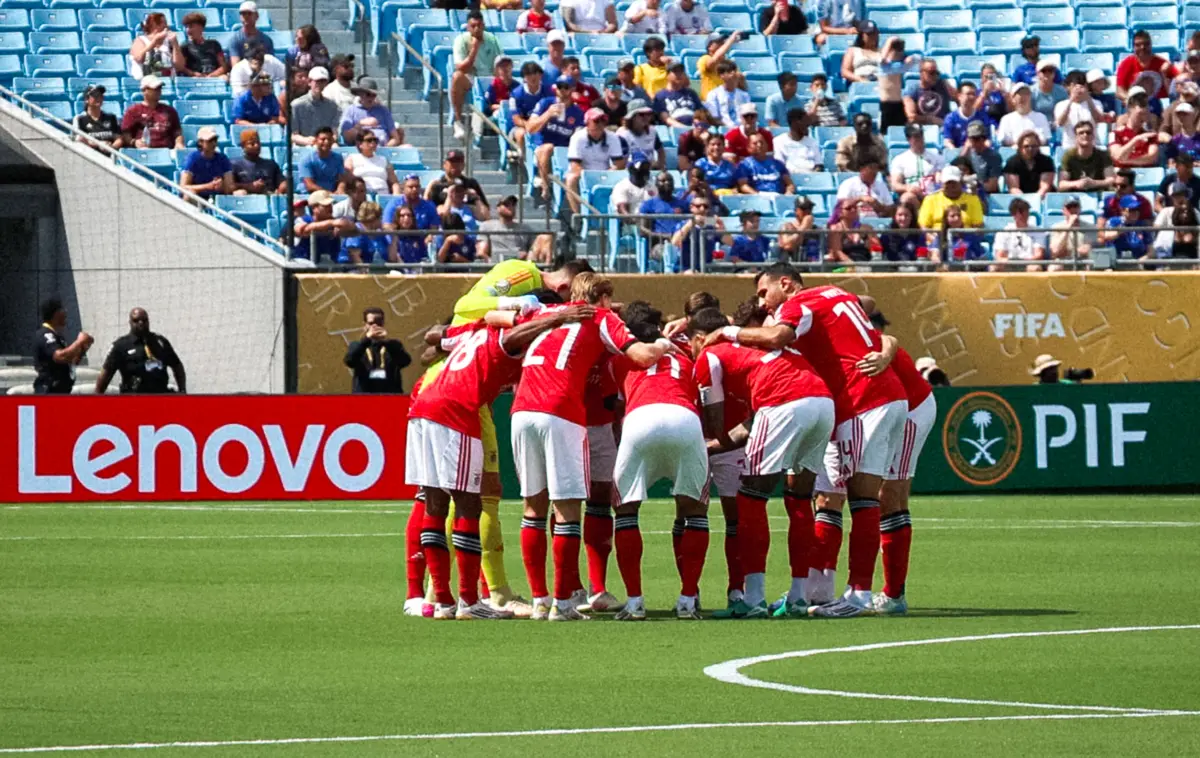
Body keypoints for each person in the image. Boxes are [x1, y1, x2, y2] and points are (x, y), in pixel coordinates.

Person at [699, 265, 906, 618]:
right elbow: (867, 302)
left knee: (756, 495)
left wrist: (727, 332)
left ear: (786, 283)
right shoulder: (834, 294)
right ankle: (804, 594)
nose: (764, 303)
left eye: (765, 293)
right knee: (820, 497)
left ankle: (761, 598)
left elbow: (778, 335)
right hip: (875, 397)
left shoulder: (796, 306)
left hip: (858, 399)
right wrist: (887, 350)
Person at [407, 300, 595, 620]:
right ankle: (468, 601)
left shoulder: (470, 333)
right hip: (456, 411)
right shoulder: (498, 337)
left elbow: (432, 336)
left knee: (435, 505)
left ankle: (442, 600)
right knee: (469, 505)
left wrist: (485, 315)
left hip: (422, 408)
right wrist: (558, 318)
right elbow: (513, 335)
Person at [509, 274, 677, 621]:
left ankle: (541, 600)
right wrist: (663, 345)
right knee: (568, 509)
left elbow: (503, 326)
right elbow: (643, 355)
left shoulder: (548, 314)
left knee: (533, 508)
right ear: (601, 298)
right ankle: (564, 602)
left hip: (522, 408)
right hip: (562, 411)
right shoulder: (602, 319)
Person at [603, 302, 707, 620]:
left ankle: (635, 603)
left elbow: (617, 410)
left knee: (625, 510)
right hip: (685, 418)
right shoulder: (686, 350)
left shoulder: (622, 357)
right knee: (695, 511)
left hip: (641, 417)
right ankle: (688, 600)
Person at [95, 308, 185, 395]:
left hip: (160, 395)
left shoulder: (160, 342)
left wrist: (182, 390)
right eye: (136, 320)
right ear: (130, 322)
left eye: (144, 320)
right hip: (134, 397)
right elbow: (106, 374)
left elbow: (177, 366)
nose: (141, 323)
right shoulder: (121, 345)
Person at [528, 75, 586, 202]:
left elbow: (579, 136)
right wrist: (547, 114)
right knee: (548, 148)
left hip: (564, 149)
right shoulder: (545, 103)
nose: (562, 90)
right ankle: (546, 186)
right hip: (541, 146)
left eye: (566, 87)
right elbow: (530, 128)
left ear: (572, 89)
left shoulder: (577, 112)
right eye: (560, 87)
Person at [450, 11, 504, 140]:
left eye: (479, 25)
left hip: (489, 78)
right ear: (468, 27)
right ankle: (458, 121)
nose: (477, 29)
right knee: (457, 77)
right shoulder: (461, 40)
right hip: (471, 77)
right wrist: (474, 49)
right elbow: (461, 67)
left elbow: (500, 62)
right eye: (473, 26)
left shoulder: (492, 39)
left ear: (484, 25)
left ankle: (495, 119)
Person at [566, 108, 627, 211]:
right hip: (583, 173)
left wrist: (607, 175)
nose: (600, 124)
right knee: (571, 179)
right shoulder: (577, 138)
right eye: (596, 121)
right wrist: (592, 177)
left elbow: (619, 164)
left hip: (606, 173)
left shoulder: (613, 138)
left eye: (603, 121)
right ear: (587, 122)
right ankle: (578, 215)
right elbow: (575, 166)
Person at [33, 297, 92, 395]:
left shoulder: (58, 337)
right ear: (56, 313)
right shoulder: (45, 335)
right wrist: (79, 341)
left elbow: (70, 363)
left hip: (62, 391)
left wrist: (82, 348)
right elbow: (60, 356)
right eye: (62, 309)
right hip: (49, 392)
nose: (65, 312)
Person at [478, 195, 552, 262]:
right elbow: (481, 252)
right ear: (498, 208)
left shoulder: (525, 228)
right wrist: (492, 263)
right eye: (506, 204)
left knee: (547, 237)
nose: (510, 207)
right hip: (497, 265)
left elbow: (534, 251)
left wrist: (527, 257)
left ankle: (547, 270)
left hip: (521, 267)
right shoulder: (487, 226)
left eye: (513, 204)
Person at [669, 195, 731, 271]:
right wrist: (690, 224)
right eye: (698, 206)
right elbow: (674, 242)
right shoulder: (683, 224)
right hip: (685, 268)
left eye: (705, 207)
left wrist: (722, 228)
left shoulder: (712, 226)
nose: (702, 209)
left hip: (706, 268)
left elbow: (730, 243)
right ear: (691, 208)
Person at [889, 124, 944, 210]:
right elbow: (895, 184)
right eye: (915, 136)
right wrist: (908, 188)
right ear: (908, 139)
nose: (919, 139)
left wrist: (939, 180)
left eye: (920, 135)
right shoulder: (900, 159)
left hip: (932, 194)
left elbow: (939, 177)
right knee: (907, 198)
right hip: (913, 195)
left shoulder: (936, 157)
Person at [121, 75, 183, 149]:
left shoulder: (170, 111)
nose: (158, 91)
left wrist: (179, 143)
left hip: (166, 150)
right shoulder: (133, 111)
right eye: (155, 89)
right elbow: (125, 133)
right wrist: (134, 142)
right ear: (144, 90)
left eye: (159, 88)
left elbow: (177, 132)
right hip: (143, 151)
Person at [1116, 29, 1177, 102]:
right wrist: (1130, 100)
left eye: (1146, 44)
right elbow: (1119, 91)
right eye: (1138, 45)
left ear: (1151, 45)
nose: (1142, 47)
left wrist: (1166, 75)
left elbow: (1178, 84)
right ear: (1133, 47)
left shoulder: (1162, 63)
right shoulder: (1126, 64)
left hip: (1161, 105)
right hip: (1135, 104)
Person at [918, 165, 985, 230]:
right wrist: (935, 240)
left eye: (954, 183)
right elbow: (924, 226)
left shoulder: (972, 199)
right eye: (948, 183)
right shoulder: (930, 199)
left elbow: (978, 226)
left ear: (960, 182)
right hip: (937, 237)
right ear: (942, 183)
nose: (951, 186)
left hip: (965, 238)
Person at [340, 78, 402, 146]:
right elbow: (346, 137)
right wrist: (360, 124)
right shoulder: (350, 110)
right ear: (360, 94)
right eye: (368, 94)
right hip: (359, 151)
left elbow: (395, 138)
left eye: (374, 95)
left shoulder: (383, 111)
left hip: (382, 149)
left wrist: (384, 148)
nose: (371, 98)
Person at [507, 62, 553, 154]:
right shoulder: (516, 94)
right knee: (521, 134)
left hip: (544, 125)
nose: (533, 77)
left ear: (541, 75)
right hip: (522, 127)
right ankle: (523, 164)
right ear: (524, 78)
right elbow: (516, 119)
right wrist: (530, 126)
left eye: (535, 73)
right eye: (528, 74)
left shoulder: (549, 92)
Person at [426, 150, 489, 216]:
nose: (455, 165)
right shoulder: (438, 185)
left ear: (463, 165)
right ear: (444, 165)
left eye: (459, 162)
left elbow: (486, 214)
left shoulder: (471, 183)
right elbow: (430, 212)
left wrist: (476, 197)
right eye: (452, 162)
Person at [638, 171, 687, 256]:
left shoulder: (683, 204)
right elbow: (642, 230)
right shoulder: (649, 204)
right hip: (660, 244)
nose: (667, 183)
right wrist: (666, 236)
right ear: (656, 184)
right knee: (667, 253)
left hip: (681, 243)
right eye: (663, 181)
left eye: (669, 180)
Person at [1053, 71, 1105, 151]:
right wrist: (1071, 100)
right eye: (1074, 85)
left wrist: (1088, 98)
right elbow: (1060, 123)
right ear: (1068, 87)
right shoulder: (1061, 105)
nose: (1078, 89)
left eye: (1083, 85)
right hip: (1070, 147)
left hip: (1092, 146)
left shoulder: (1096, 103)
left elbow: (1098, 119)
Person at [992, 197, 1048, 271]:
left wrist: (1023, 261)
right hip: (1009, 263)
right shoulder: (1003, 232)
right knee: (994, 267)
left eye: (1026, 211)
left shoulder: (1037, 231)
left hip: (1029, 263)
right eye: (1021, 212)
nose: (1024, 214)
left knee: (1035, 268)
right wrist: (1011, 262)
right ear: (1013, 214)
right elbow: (999, 256)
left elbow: (1038, 255)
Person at [1110, 89, 1161, 169]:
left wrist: (1125, 160)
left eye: (1145, 113)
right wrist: (1135, 140)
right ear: (1130, 109)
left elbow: (1152, 158)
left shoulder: (1150, 135)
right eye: (1140, 114)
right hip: (1124, 176)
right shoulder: (1115, 134)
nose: (1143, 117)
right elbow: (1117, 155)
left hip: (1145, 174)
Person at [1058, 122, 1115, 193]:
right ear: (1076, 137)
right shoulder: (1069, 156)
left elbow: (1111, 180)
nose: (1085, 135)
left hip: (1098, 194)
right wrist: (1077, 183)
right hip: (1075, 196)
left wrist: (1093, 183)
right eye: (1081, 133)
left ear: (1093, 136)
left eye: (1088, 132)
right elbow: (1061, 185)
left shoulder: (1103, 155)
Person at [180, 126, 233, 199]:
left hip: (217, 197)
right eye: (210, 140)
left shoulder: (223, 159)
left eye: (215, 140)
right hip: (198, 198)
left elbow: (229, 188)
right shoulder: (192, 159)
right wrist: (207, 186)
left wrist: (221, 186)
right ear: (200, 142)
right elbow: (183, 187)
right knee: (189, 195)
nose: (214, 143)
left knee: (240, 193)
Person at [290, 67, 339, 145]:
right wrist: (307, 140)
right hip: (305, 146)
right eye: (317, 81)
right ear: (309, 82)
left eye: (323, 81)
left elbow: (335, 133)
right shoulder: (296, 105)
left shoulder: (332, 106)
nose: (320, 84)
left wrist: (327, 140)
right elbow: (293, 135)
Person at [1153, 182, 1200, 260]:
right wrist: (1175, 233)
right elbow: (1156, 228)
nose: (1180, 198)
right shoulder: (1166, 211)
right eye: (1176, 196)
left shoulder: (1194, 211)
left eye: (1182, 194)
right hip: (1170, 249)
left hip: (1192, 250)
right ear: (1172, 198)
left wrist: (1192, 235)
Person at [231, 129, 285, 195]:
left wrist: (283, 186)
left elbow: (281, 182)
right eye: (252, 144)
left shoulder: (271, 164)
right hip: (247, 200)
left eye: (258, 143)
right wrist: (249, 186)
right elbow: (229, 186)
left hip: (270, 196)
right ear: (243, 146)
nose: (257, 146)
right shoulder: (234, 164)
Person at [903, 59, 954, 126]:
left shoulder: (943, 85)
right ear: (921, 73)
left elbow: (959, 97)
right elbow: (911, 117)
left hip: (945, 128)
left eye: (937, 73)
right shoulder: (912, 91)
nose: (935, 76)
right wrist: (931, 120)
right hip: (923, 129)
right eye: (931, 73)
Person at [175, 12, 227, 79]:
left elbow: (223, 66)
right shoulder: (185, 46)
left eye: (191, 27)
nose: (188, 31)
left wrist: (212, 76)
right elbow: (182, 68)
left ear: (201, 27)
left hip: (214, 77)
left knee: (224, 78)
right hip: (195, 79)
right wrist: (194, 74)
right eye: (186, 27)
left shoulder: (214, 44)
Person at [1003, 131, 1056, 197]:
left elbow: (1045, 187)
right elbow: (1014, 188)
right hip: (1020, 199)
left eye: (1034, 146)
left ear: (1038, 146)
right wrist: (1026, 201)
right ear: (1020, 147)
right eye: (1026, 146)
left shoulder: (1047, 161)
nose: (1030, 149)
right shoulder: (1012, 163)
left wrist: (1035, 200)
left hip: (1042, 198)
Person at [294, 190, 342, 260]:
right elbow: (300, 230)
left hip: (331, 266)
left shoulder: (337, 222)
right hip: (303, 265)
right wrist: (330, 224)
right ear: (314, 208)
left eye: (330, 205)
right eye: (325, 205)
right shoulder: (303, 220)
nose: (330, 208)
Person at [1102, 193, 1153, 259]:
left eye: (1137, 209)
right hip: (1116, 262)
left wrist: (1144, 259)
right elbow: (1106, 236)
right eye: (1132, 210)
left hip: (1138, 263)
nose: (1135, 212)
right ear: (1122, 211)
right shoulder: (1114, 221)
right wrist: (1119, 232)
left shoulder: (1142, 225)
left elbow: (1151, 250)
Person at [73, 85, 124, 150]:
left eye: (101, 95)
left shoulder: (111, 117)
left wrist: (111, 148)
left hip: (110, 155)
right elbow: (80, 139)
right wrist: (99, 144)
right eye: (95, 95)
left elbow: (119, 139)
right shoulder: (80, 119)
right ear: (86, 99)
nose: (99, 98)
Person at [704, 62, 751, 131]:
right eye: (729, 71)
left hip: (742, 129)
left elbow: (749, 114)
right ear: (721, 75)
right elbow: (714, 118)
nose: (733, 73)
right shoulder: (713, 94)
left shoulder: (744, 95)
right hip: (724, 129)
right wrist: (730, 126)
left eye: (734, 71)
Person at [959, 121, 1003, 194]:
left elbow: (992, 186)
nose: (973, 142)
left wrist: (975, 186)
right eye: (971, 139)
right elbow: (956, 172)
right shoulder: (965, 153)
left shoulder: (993, 157)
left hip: (985, 195)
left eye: (977, 139)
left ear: (984, 139)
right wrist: (965, 151)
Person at [129, 12, 176, 79]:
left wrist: (175, 43)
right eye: (163, 23)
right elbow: (139, 58)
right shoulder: (140, 40)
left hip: (166, 81)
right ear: (154, 25)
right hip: (145, 81)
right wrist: (154, 42)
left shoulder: (169, 41)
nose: (167, 26)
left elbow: (179, 66)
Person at [615, 101, 662, 168]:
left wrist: (660, 165)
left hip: (649, 171)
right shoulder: (622, 135)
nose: (646, 117)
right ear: (632, 117)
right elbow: (620, 163)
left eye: (648, 114)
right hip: (630, 172)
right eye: (641, 114)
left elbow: (660, 150)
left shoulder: (652, 131)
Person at [1049, 195, 1093, 267]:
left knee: (1094, 265)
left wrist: (1069, 252)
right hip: (1063, 261)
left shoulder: (1090, 227)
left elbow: (1089, 249)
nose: (1073, 210)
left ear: (1080, 209)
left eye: (1075, 206)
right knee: (1053, 267)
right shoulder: (1056, 227)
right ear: (1064, 210)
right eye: (1069, 207)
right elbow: (1055, 251)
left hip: (1084, 261)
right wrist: (1069, 226)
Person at [774, 110, 821, 175]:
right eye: (805, 123)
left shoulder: (812, 142)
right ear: (794, 123)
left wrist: (814, 176)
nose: (807, 126)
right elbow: (779, 164)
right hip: (790, 177)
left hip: (811, 177)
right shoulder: (779, 141)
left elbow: (819, 165)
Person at [942, 82, 988, 149]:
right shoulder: (950, 118)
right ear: (959, 96)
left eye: (973, 94)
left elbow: (987, 141)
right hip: (958, 154)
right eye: (968, 94)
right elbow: (948, 141)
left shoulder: (982, 117)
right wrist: (958, 155)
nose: (971, 97)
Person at [228, 1, 274, 66]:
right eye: (243, 13)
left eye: (249, 13)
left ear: (257, 16)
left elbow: (271, 63)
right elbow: (235, 65)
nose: (246, 16)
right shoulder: (235, 40)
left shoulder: (266, 40)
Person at [697, 32, 740, 100]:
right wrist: (730, 40)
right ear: (709, 46)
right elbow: (713, 62)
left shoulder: (729, 63)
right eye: (718, 42)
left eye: (722, 42)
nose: (722, 44)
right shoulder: (704, 59)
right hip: (710, 103)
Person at [298, 127, 342, 192]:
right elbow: (310, 185)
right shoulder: (306, 160)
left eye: (329, 139)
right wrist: (328, 194)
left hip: (332, 195)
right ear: (316, 141)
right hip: (309, 196)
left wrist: (340, 190)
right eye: (323, 139)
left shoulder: (338, 158)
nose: (326, 142)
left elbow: (342, 179)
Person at [778, 196, 820, 262]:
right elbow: (788, 245)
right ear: (796, 211)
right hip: (790, 266)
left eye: (809, 208)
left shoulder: (817, 230)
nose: (807, 212)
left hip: (810, 267)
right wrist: (803, 228)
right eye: (804, 209)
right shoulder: (787, 227)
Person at [484, 55, 516, 121]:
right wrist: (503, 107)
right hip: (498, 114)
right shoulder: (493, 86)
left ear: (512, 67)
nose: (505, 68)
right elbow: (489, 107)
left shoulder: (517, 86)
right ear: (497, 69)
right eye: (502, 66)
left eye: (508, 65)